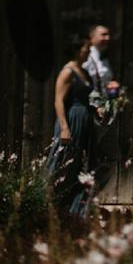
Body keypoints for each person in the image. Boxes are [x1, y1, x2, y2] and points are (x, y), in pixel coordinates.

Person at [45, 32, 97, 217]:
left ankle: (75, 211)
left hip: (85, 120)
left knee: (81, 165)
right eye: (86, 48)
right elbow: (58, 101)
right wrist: (65, 128)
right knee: (64, 163)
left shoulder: (83, 71)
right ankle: (50, 206)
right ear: (77, 49)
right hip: (72, 120)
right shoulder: (68, 72)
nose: (89, 51)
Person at [82, 21, 119, 198]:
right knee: (89, 156)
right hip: (93, 113)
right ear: (92, 38)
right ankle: (81, 199)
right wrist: (95, 105)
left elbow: (104, 84)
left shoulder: (104, 59)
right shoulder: (87, 58)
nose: (107, 38)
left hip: (108, 114)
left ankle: (91, 194)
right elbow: (83, 85)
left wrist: (113, 92)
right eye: (103, 35)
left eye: (108, 35)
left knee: (112, 157)